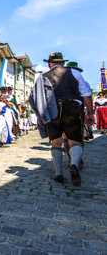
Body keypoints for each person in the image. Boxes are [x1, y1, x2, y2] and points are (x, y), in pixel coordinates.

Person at [42, 52, 94, 186]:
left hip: (53, 110)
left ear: (49, 64)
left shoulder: (44, 77)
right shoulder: (74, 73)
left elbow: (39, 99)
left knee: (56, 142)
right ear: (63, 63)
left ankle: (58, 173)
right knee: (75, 141)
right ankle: (74, 165)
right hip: (72, 107)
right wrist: (90, 112)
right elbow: (86, 94)